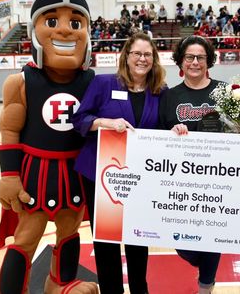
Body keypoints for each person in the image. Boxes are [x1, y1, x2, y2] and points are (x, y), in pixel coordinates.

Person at [0, 0, 98, 294]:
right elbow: (9, 130)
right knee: (27, 236)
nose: (65, 29)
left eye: (76, 22)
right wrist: (9, 175)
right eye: (52, 20)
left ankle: (61, 283)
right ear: (34, 30)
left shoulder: (91, 81)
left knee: (70, 232)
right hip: (34, 174)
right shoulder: (20, 81)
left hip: (74, 171)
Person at [73, 32, 167, 294]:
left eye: (147, 54)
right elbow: (79, 119)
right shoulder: (104, 84)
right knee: (106, 242)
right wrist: (104, 123)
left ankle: (140, 289)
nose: (142, 59)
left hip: (140, 177)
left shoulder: (160, 92)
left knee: (138, 238)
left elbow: (164, 128)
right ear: (126, 56)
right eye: (137, 53)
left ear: (154, 59)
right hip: (102, 175)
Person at [158, 35, 223, 294]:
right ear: (180, 62)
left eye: (200, 58)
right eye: (189, 57)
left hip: (218, 177)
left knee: (212, 235)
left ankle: (206, 285)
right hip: (180, 179)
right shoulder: (169, 97)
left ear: (208, 61)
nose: (195, 62)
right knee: (183, 243)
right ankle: (198, 259)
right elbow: (158, 135)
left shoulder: (225, 92)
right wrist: (172, 131)